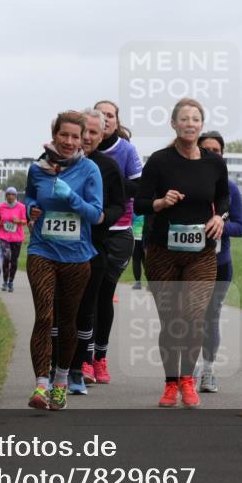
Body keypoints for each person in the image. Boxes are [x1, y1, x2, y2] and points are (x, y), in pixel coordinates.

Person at [134, 98, 228, 408]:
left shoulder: (215, 163)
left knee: (194, 318)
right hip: (162, 251)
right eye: (184, 119)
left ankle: (188, 380)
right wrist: (160, 203)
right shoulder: (159, 161)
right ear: (174, 124)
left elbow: (224, 198)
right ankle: (170, 383)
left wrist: (219, 217)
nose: (190, 123)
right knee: (171, 321)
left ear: (201, 125)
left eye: (195, 119)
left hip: (201, 253)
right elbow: (141, 203)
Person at [24, 111, 103, 411]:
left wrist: (71, 197)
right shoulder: (37, 168)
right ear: (54, 134)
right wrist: (30, 210)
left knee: (68, 321)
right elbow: (30, 199)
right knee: (45, 317)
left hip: (77, 256)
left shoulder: (89, 170)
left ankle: (60, 382)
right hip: (42, 251)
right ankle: (41, 385)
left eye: (75, 137)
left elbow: (95, 214)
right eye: (63, 135)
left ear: (82, 139)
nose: (69, 142)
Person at [50, 108, 125, 394]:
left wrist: (103, 217)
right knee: (57, 311)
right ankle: (56, 365)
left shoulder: (107, 166)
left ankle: (78, 369)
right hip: (57, 247)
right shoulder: (56, 161)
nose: (89, 137)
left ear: (102, 134)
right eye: (86, 132)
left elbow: (119, 204)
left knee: (85, 310)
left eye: (95, 132)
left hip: (94, 247)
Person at [91, 100, 144, 382]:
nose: (105, 119)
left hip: (119, 228)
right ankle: (84, 357)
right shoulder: (83, 147)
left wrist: (111, 186)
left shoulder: (125, 149)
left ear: (116, 121)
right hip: (88, 229)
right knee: (88, 294)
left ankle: (100, 357)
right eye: (100, 115)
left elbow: (139, 184)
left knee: (103, 293)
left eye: (110, 115)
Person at [196, 131, 242, 393]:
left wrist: (219, 226)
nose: (212, 154)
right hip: (189, 260)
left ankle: (208, 369)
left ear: (222, 155)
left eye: (217, 150)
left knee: (210, 316)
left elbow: (241, 226)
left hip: (219, 262)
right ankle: (186, 369)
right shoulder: (189, 184)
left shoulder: (232, 189)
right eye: (207, 150)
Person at [0, 187, 28, 292]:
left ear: (15, 196)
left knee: (14, 260)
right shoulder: (0, 207)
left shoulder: (22, 207)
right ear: (6, 195)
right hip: (4, 236)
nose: (10, 196)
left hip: (17, 237)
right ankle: (5, 282)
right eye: (8, 194)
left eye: (12, 194)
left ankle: (11, 282)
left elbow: (25, 221)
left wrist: (19, 221)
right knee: (6, 258)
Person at [131, 213, 145, 289]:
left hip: (136, 237)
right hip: (145, 237)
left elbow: (130, 222)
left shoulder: (134, 210)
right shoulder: (148, 210)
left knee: (136, 260)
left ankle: (138, 282)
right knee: (146, 261)